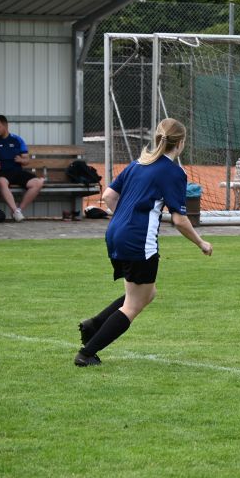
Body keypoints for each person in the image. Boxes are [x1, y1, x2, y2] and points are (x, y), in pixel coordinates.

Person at [75, 118, 213, 367]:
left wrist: (125, 218)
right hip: (138, 241)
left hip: (115, 234)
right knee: (134, 304)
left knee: (146, 294)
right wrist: (201, 242)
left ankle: (93, 325)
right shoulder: (173, 172)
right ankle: (87, 353)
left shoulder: (138, 163)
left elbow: (108, 195)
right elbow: (180, 220)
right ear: (181, 143)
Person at [0, 115, 45, 222]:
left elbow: (26, 160)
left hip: (16, 171)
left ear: (5, 125)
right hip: (1, 172)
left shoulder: (17, 139)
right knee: (1, 182)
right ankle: (15, 210)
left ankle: (18, 211)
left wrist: (21, 160)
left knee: (38, 183)